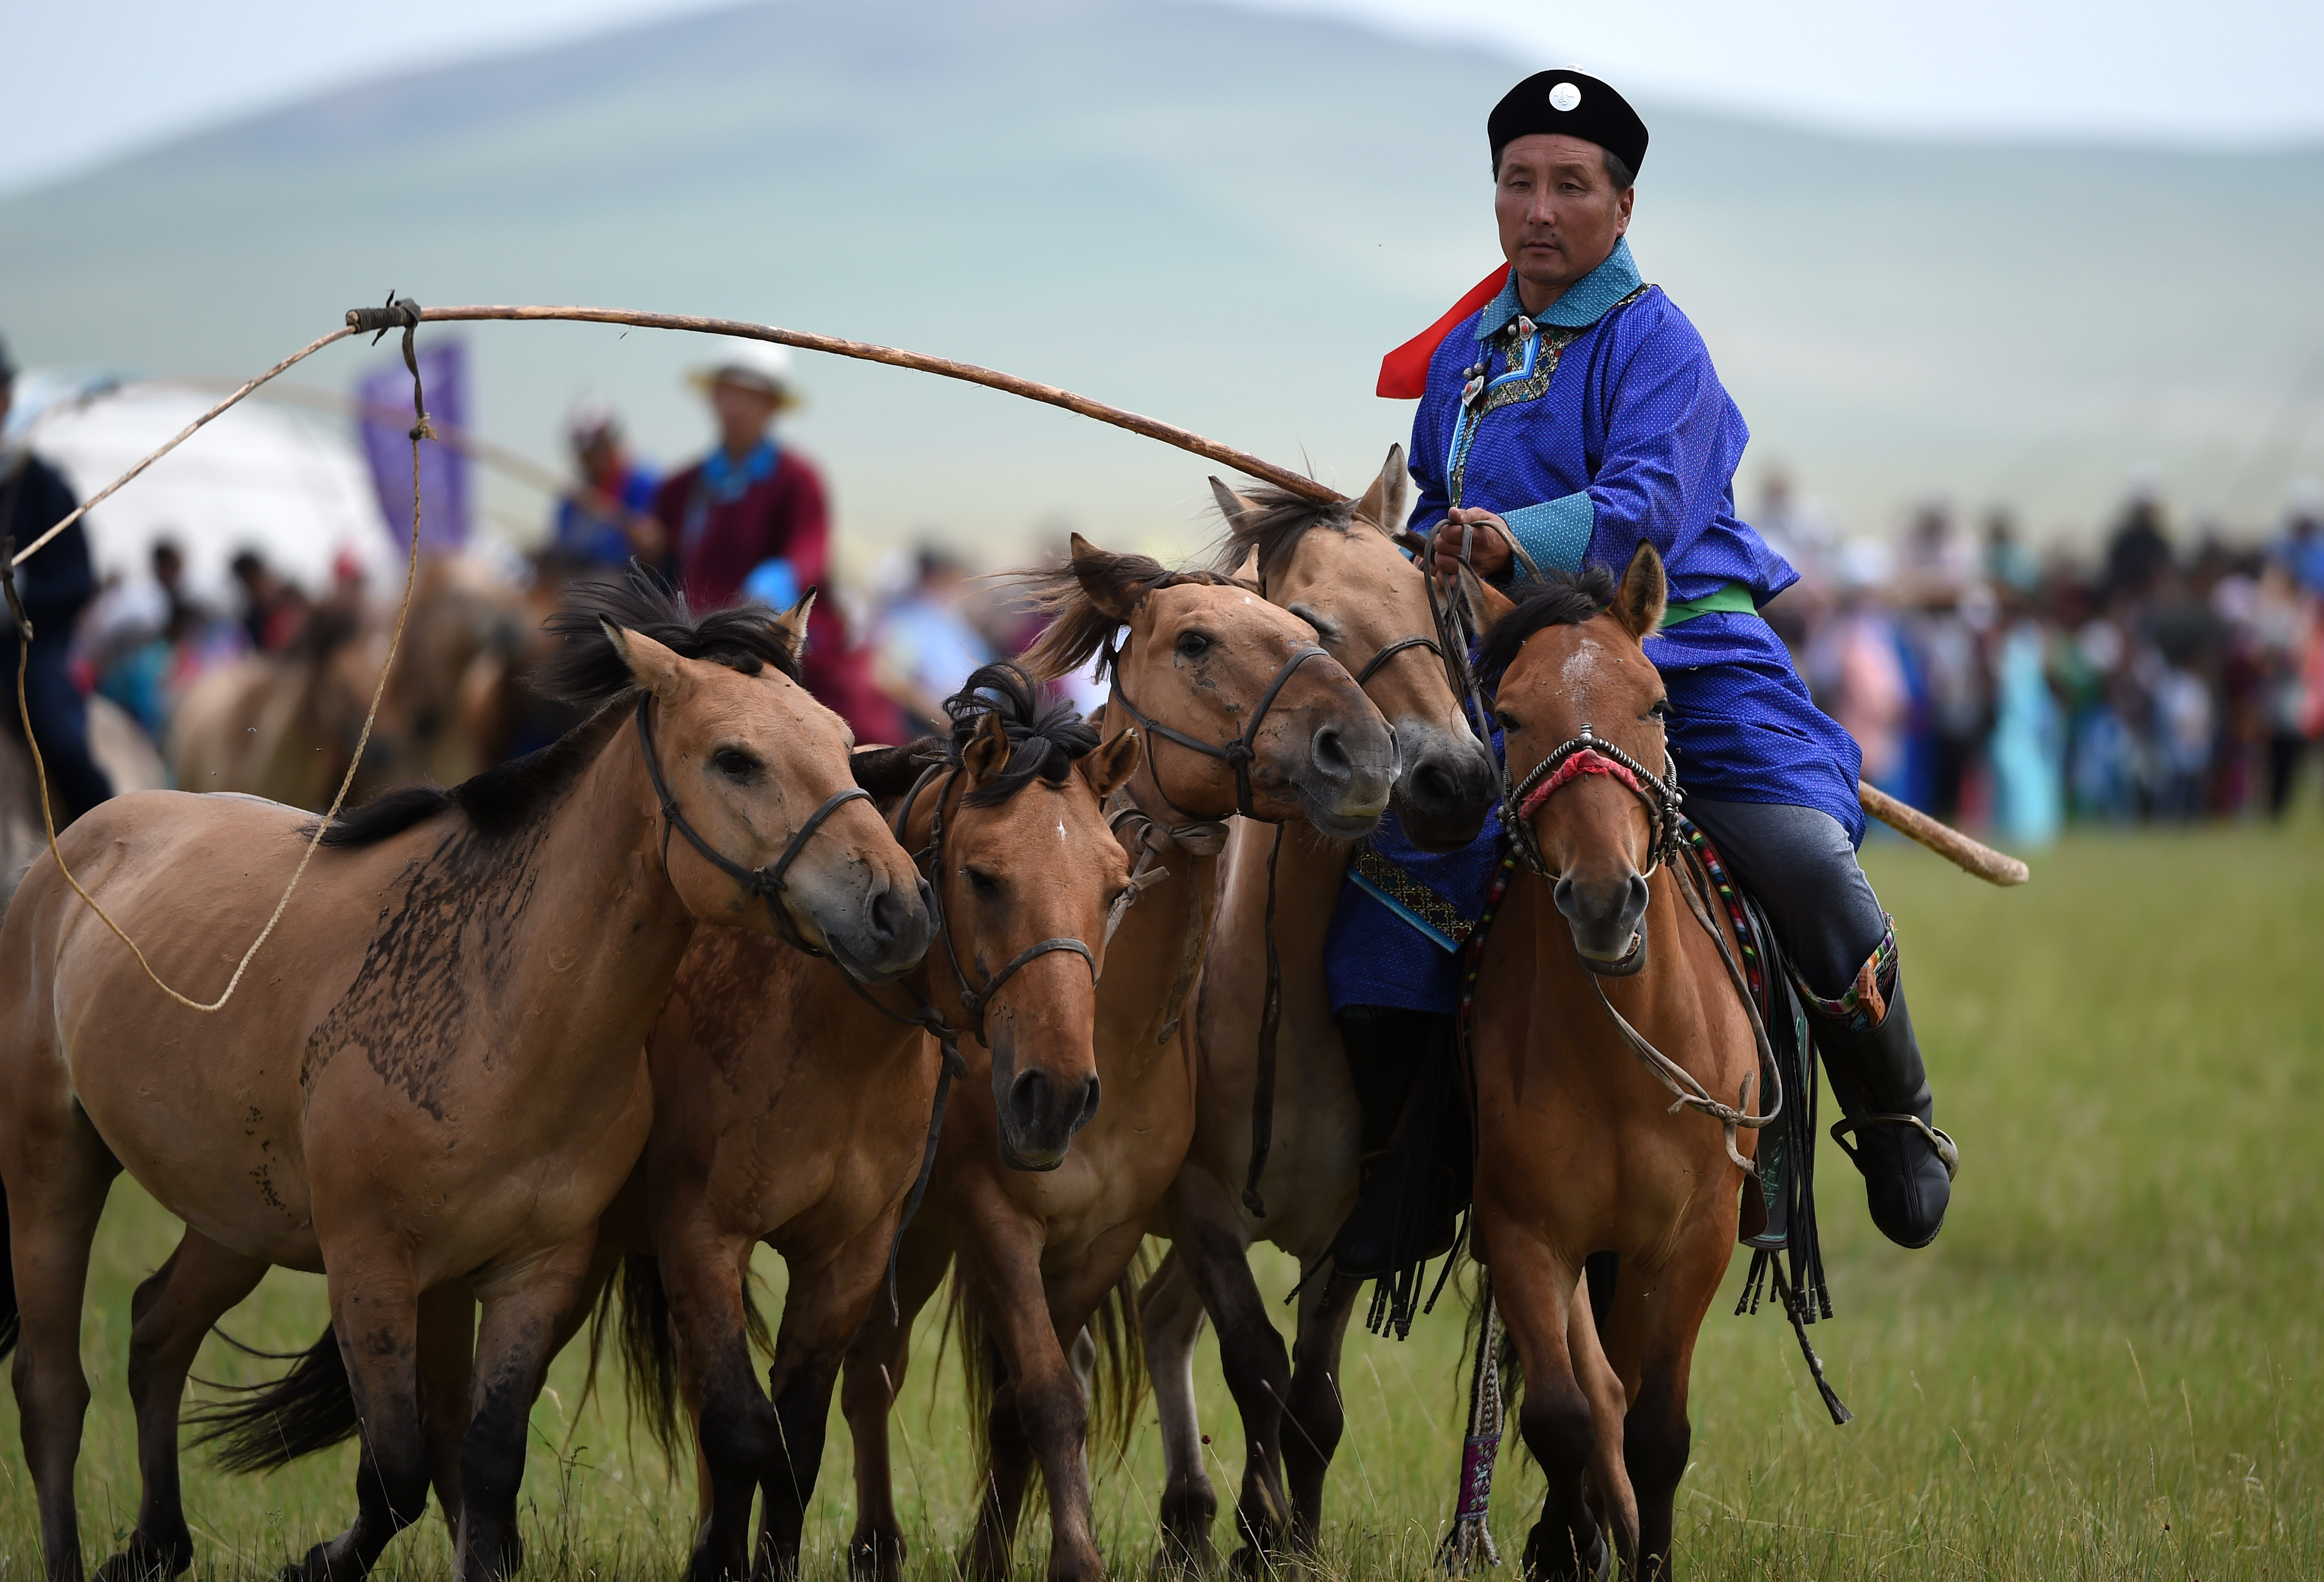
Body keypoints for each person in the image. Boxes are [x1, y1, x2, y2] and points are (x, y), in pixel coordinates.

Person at [1330, 70, 1954, 1282]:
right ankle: (1406, 1169)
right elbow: (1434, 516)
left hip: (1679, 650)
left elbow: (1643, 514)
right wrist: (1414, 550)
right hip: (1507, 666)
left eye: (1571, 185)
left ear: (1622, 205)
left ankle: (1892, 1115)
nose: (1540, 209)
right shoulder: (1463, 355)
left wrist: (1508, 536)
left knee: (1802, 863)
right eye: (1519, 183)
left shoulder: (1655, 340)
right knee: (1394, 858)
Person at [652, 342, 904, 744]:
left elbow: (808, 553)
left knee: (854, 723)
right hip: (694, 633)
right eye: (729, 392)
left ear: (771, 406)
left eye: (750, 397)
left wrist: (773, 583)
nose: (737, 407)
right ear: (714, 397)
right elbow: (661, 552)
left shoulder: (798, 479)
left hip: (775, 630)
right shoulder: (681, 486)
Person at [0, 332, 113, 824]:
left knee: (61, 742)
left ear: (6, 399)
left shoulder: (42, 484)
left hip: (25, 656)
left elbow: (77, 578)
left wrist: (18, 600)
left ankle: (107, 835)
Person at [549, 405, 662, 569]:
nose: (589, 461)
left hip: (628, 585)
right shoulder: (572, 502)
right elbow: (561, 548)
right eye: (584, 455)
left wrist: (612, 513)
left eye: (597, 451)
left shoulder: (647, 483)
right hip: (579, 580)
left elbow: (655, 549)